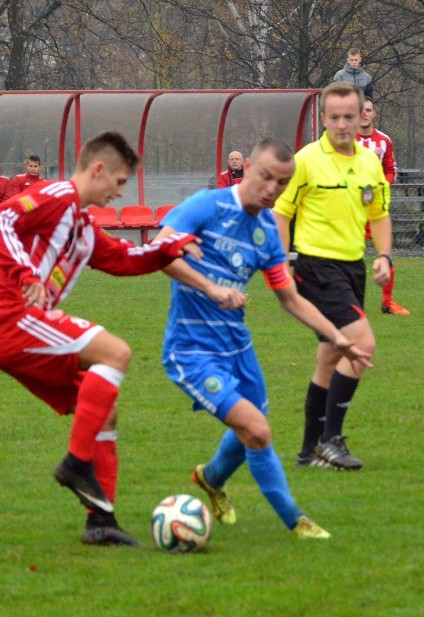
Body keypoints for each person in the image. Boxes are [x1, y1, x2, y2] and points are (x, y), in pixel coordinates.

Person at [0, 131, 201, 546]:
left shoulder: (81, 226)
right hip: (12, 319)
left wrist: (170, 248)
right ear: (98, 169)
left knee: (105, 410)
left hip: (24, 329)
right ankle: (77, 463)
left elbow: (122, 259)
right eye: (118, 182)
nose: (120, 193)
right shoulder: (59, 195)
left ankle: (100, 521)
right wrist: (26, 273)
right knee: (116, 352)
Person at [155, 137, 373, 540]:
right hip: (191, 350)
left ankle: (211, 479)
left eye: (282, 183)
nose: (272, 189)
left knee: (253, 427)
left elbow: (289, 297)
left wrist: (336, 337)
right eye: (266, 177)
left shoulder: (266, 234)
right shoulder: (209, 204)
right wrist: (211, 288)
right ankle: (296, 521)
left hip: (238, 349)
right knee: (257, 430)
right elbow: (159, 247)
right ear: (250, 167)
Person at [273, 82, 391, 471]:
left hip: (352, 267)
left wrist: (384, 255)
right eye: (334, 117)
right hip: (316, 268)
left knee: (329, 358)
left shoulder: (370, 163)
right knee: (361, 345)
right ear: (323, 119)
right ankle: (330, 441)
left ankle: (308, 452)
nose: (342, 124)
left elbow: (380, 214)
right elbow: (281, 213)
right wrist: (283, 261)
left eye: (349, 117)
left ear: (361, 118)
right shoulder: (305, 160)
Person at [357, 98, 409, 315]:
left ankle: (387, 303)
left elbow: (391, 170)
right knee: (347, 257)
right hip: (352, 207)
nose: (365, 114)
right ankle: (349, 302)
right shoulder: (346, 139)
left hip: (376, 207)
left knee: (386, 254)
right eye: (361, 110)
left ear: (374, 113)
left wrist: (380, 187)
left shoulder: (384, 140)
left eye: (368, 110)